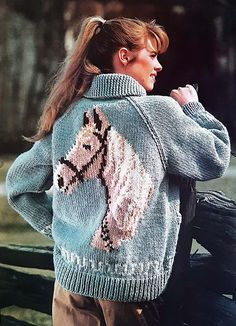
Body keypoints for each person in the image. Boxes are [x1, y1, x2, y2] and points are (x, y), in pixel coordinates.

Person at [6, 16, 231, 325]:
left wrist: (66, 233)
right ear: (124, 56)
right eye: (152, 55)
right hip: (127, 295)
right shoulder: (159, 112)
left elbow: (19, 186)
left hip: (69, 286)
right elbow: (217, 156)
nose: (159, 66)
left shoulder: (70, 113)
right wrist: (194, 108)